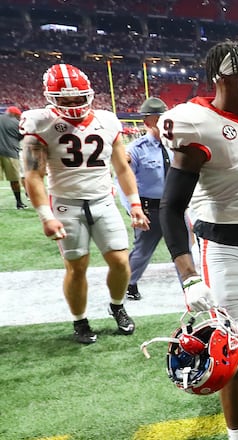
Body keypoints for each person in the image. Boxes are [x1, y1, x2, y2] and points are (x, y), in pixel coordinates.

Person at [158, 41, 238, 440]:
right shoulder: (196, 123)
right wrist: (189, 276)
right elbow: (171, 208)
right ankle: (236, 433)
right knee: (233, 343)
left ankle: (222, 365)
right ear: (227, 80)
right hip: (221, 244)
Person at [20, 63, 147, 344]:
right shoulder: (40, 122)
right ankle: (80, 320)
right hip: (67, 205)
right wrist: (46, 216)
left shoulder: (107, 120)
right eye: (65, 100)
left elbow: (122, 167)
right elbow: (33, 175)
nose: (73, 104)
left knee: (120, 262)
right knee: (77, 268)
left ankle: (117, 305)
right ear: (51, 98)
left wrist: (135, 204)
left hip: (103, 200)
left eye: (78, 97)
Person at [122, 97, 171, 301]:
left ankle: (191, 288)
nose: (163, 122)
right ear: (147, 122)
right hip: (150, 209)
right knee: (142, 251)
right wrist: (133, 210)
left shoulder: (175, 145)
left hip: (174, 207)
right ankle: (126, 284)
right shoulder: (136, 149)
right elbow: (123, 181)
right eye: (157, 118)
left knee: (185, 249)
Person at [0, 106, 26, 209]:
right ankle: (19, 203)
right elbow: (22, 136)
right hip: (10, 152)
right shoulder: (17, 123)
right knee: (14, 180)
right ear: (15, 114)